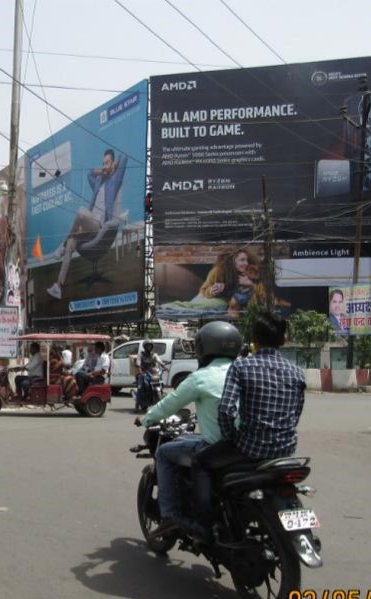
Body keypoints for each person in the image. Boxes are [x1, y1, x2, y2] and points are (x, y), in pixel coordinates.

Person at [190, 313, 307, 535]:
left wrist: (230, 438)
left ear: (253, 340)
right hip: (285, 450)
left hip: (249, 448)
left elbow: (226, 410)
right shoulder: (296, 371)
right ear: (282, 340)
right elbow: (296, 412)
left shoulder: (243, 367)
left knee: (200, 463)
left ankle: (203, 524)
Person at [136, 321, 243, 538]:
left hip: (218, 446)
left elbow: (170, 404)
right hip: (249, 444)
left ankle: (170, 515)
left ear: (203, 349)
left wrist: (146, 418)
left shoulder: (201, 377)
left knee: (164, 453)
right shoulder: (247, 371)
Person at [46, 149, 128, 300]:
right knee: (72, 243)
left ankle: (61, 246)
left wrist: (113, 166)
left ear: (113, 163)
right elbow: (89, 173)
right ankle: (58, 286)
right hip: (88, 228)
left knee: (81, 212)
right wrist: (102, 170)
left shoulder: (114, 182)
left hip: (98, 226)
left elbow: (124, 158)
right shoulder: (98, 182)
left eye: (107, 162)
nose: (105, 165)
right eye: (103, 163)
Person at [197, 248, 267, 315]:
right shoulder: (218, 271)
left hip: (242, 307)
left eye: (247, 260)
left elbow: (262, 295)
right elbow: (203, 290)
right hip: (221, 303)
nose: (246, 263)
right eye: (242, 260)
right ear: (232, 261)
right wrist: (212, 290)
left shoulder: (250, 272)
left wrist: (250, 284)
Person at [134, 340, 164, 413]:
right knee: (140, 387)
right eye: (147, 346)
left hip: (152, 373)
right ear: (144, 347)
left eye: (150, 346)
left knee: (161, 382)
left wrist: (164, 366)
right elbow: (138, 363)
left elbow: (159, 361)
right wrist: (140, 370)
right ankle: (137, 405)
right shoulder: (141, 354)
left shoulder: (154, 354)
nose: (149, 347)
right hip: (143, 373)